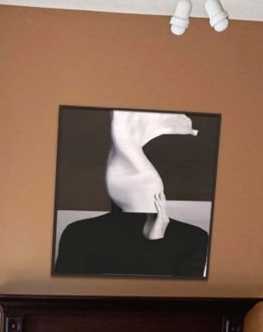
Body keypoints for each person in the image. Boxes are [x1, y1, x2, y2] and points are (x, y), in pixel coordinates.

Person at [54, 110, 210, 277]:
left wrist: (156, 240)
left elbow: (176, 297)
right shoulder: (80, 234)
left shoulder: (192, 237)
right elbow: (70, 292)